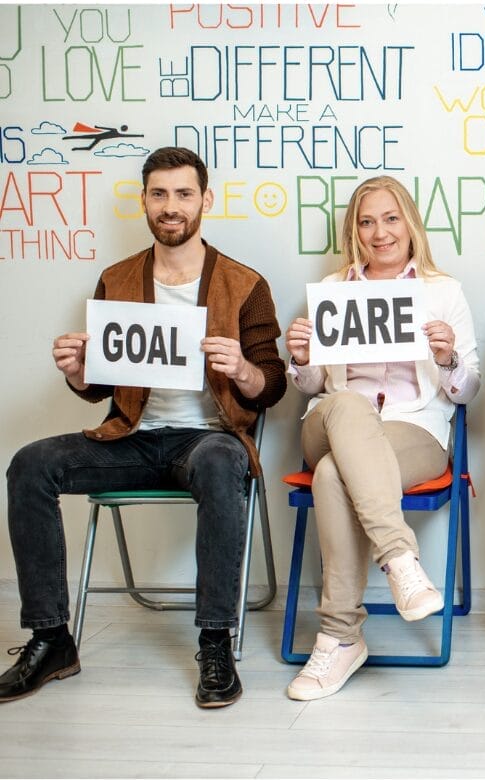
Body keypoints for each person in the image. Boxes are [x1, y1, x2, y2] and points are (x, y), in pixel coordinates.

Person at [1, 147, 287, 708]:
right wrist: (81, 374)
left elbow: (272, 384)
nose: (171, 206)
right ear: (144, 202)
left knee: (222, 458)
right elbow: (105, 384)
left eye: (183, 194)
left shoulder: (244, 283)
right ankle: (51, 639)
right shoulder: (117, 278)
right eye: (159, 194)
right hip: (132, 437)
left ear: (205, 200)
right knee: (30, 463)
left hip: (207, 439)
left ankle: (214, 643)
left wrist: (244, 371)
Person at [283, 176, 480, 701]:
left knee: (333, 476)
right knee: (345, 404)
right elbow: (312, 387)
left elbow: (468, 391)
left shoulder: (443, 291)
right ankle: (399, 559)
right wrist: (300, 362)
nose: (380, 232)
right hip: (328, 422)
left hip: (413, 429)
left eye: (391, 218)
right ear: (354, 231)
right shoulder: (331, 292)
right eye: (367, 221)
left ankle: (339, 637)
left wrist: (448, 359)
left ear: (409, 224)